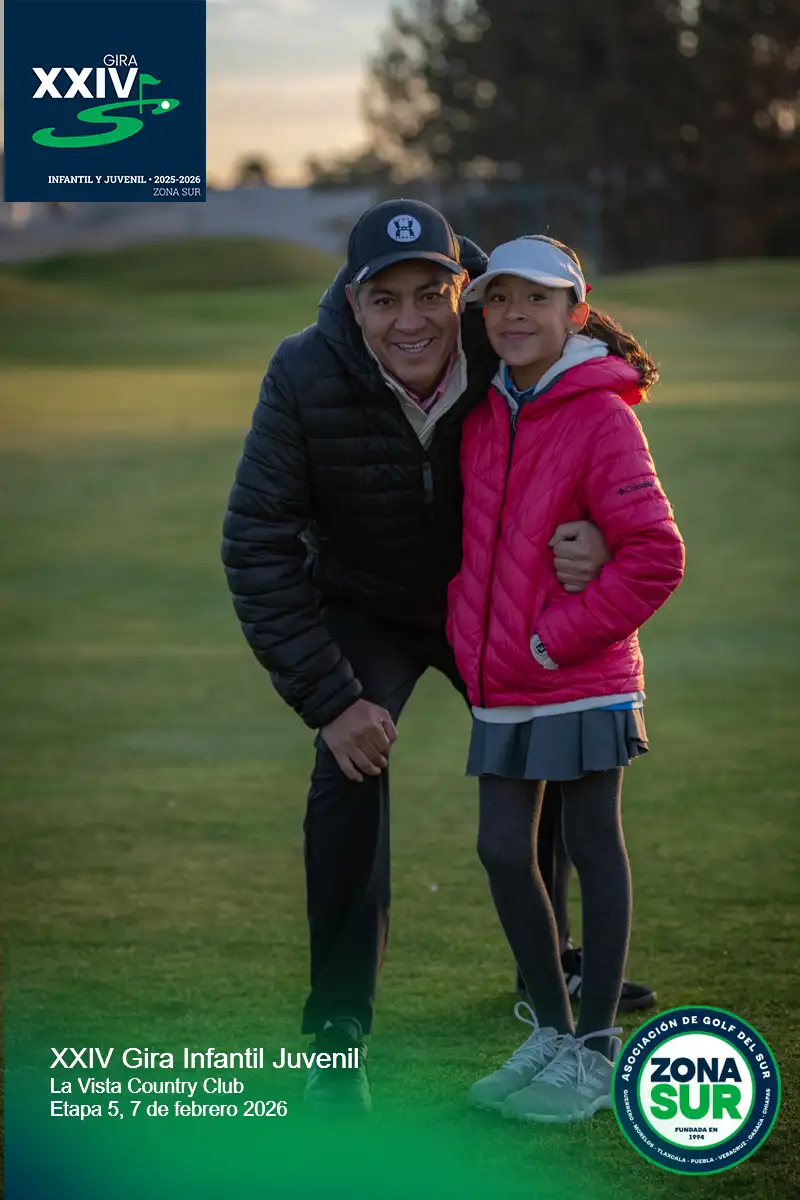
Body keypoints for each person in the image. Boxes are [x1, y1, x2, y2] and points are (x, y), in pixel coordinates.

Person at [222, 200, 614, 1115]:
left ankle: (554, 977)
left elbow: (602, 390)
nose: (411, 320)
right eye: (384, 299)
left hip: (493, 592)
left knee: (553, 747)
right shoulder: (302, 370)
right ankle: (337, 1031)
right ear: (352, 304)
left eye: (431, 294)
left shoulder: (504, 328)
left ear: (462, 290)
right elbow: (256, 542)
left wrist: (601, 527)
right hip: (369, 604)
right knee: (346, 766)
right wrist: (331, 700)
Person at [447, 235, 685, 1123]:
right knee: (502, 849)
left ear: (575, 313)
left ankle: (595, 1047)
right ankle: (549, 1030)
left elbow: (655, 554)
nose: (515, 314)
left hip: (579, 674)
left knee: (591, 845)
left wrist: (556, 641)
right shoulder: (482, 411)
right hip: (502, 678)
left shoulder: (603, 415)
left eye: (537, 299)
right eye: (500, 298)